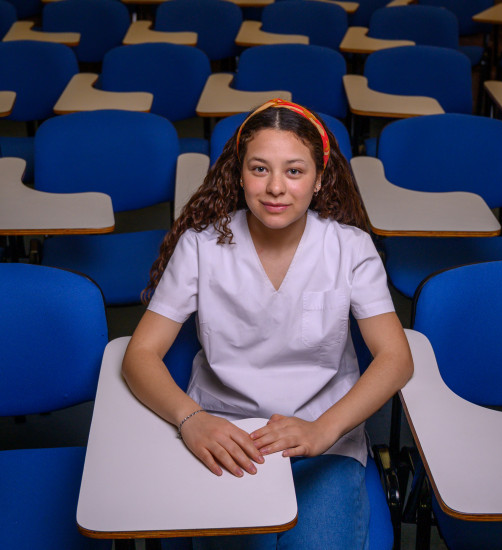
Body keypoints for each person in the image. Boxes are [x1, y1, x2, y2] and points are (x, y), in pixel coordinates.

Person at [122, 98, 413, 550]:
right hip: (227, 435)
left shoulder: (350, 247)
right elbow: (140, 355)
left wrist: (323, 428)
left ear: (319, 179)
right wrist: (192, 420)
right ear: (239, 176)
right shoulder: (201, 246)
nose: (276, 187)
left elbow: (395, 359)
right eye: (260, 169)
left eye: (294, 171)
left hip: (325, 438)